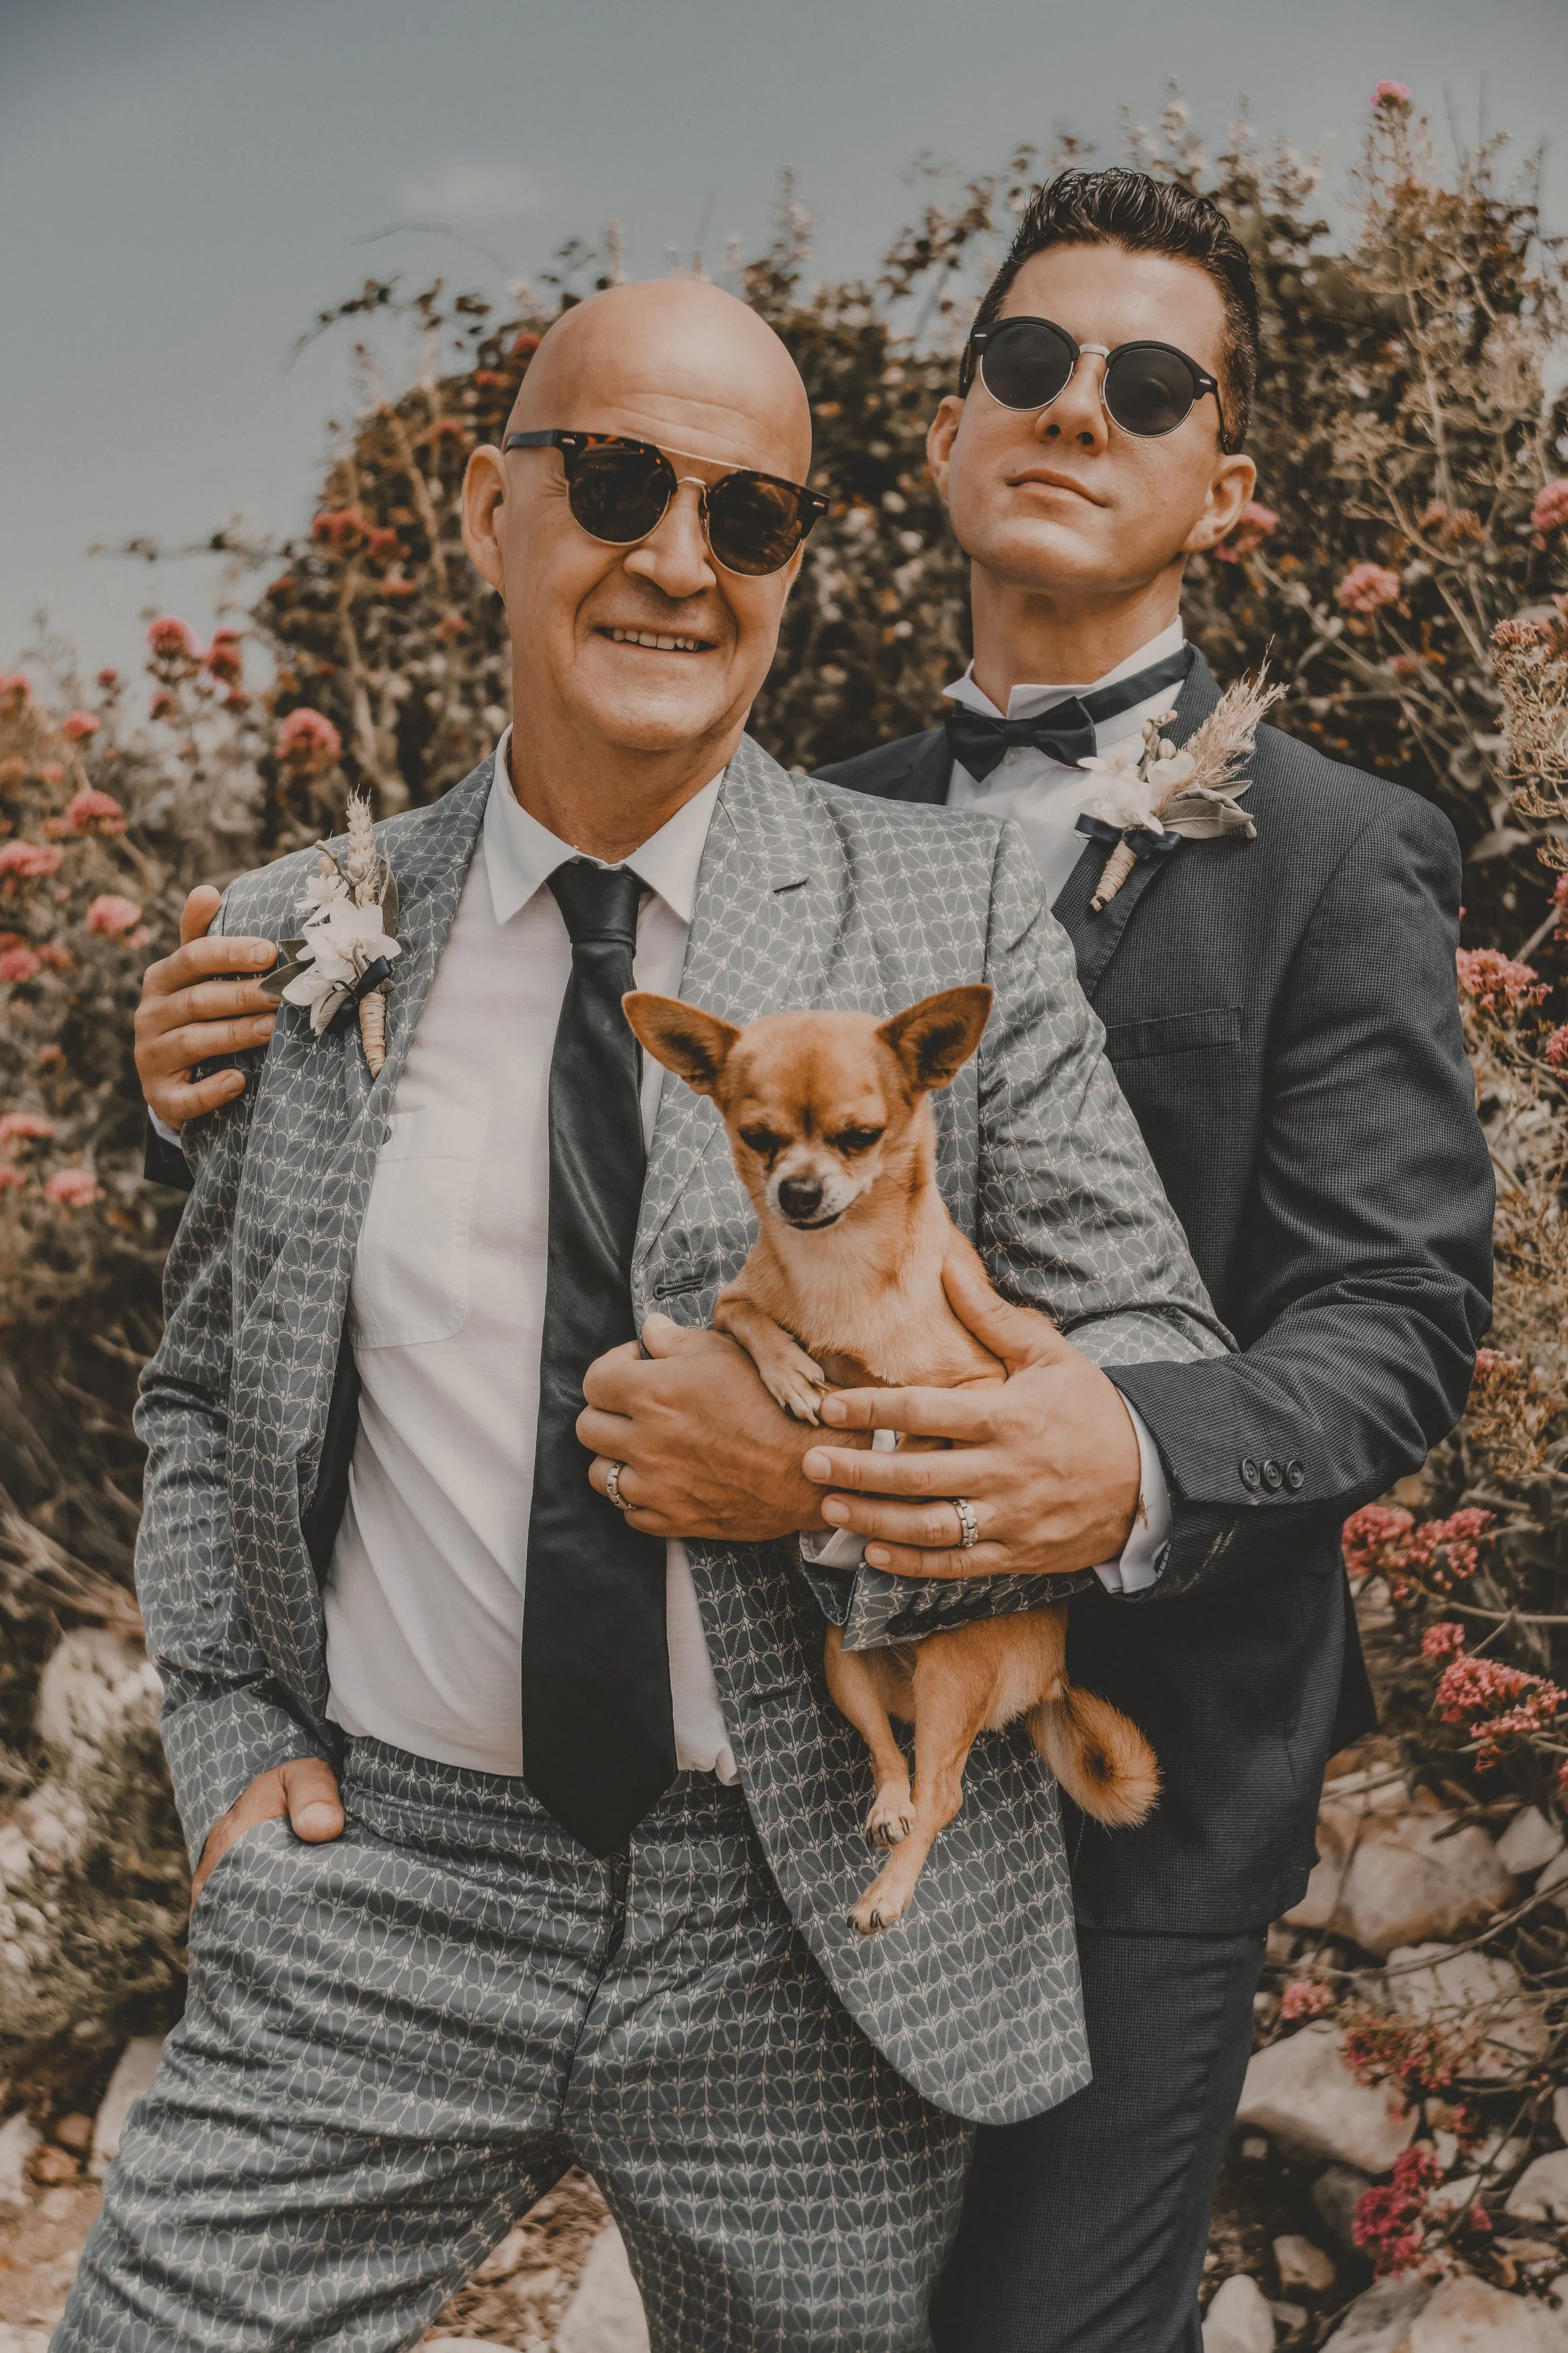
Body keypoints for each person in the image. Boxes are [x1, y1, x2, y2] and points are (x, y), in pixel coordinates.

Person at [77, 274, 1229, 2353]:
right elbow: (194, 1394)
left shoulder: (954, 915)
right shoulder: (291, 940)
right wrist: (231, 1742)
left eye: (751, 514)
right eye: (615, 480)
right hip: (380, 1889)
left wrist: (813, 1475)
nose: (678, 560)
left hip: (804, 1923)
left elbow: (1153, 1372)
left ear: (794, 559)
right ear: (487, 509)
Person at [806, 171, 1493, 2350]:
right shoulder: (785, 822)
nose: (1076, 409)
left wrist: (1132, 1455)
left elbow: (1393, 1312)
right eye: (1026, 360)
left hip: (1157, 1743)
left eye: (1150, 381)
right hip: (817, 1745)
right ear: (944, 427)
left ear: (1225, 482)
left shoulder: (1339, 847)